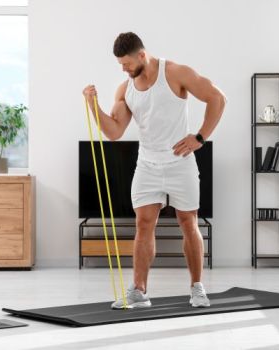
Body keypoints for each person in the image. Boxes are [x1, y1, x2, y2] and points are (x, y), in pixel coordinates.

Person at [83, 32, 226, 309]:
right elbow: (114, 131)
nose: (123, 69)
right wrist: (93, 106)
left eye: (125, 63)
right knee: (143, 225)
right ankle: (139, 290)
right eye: (119, 65)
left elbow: (217, 98)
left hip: (179, 162)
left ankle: (197, 288)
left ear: (141, 55)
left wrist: (199, 138)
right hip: (147, 165)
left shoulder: (175, 73)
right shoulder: (125, 90)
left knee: (188, 223)